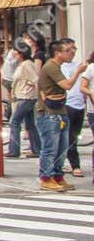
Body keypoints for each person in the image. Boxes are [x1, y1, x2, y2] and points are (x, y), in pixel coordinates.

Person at [37, 38, 88, 192]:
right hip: (50, 114)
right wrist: (78, 72)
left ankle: (57, 176)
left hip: (60, 111)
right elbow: (66, 85)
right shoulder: (51, 67)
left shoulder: (58, 66)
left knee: (62, 148)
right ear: (58, 53)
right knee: (50, 148)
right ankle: (46, 178)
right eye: (67, 50)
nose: (71, 53)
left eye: (73, 49)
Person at [7, 41, 42, 159]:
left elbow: (36, 80)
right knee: (30, 124)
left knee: (14, 122)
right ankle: (37, 149)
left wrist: (41, 97)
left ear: (21, 54)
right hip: (23, 96)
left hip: (26, 97)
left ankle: (14, 150)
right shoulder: (22, 64)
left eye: (15, 53)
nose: (13, 56)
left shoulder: (27, 64)